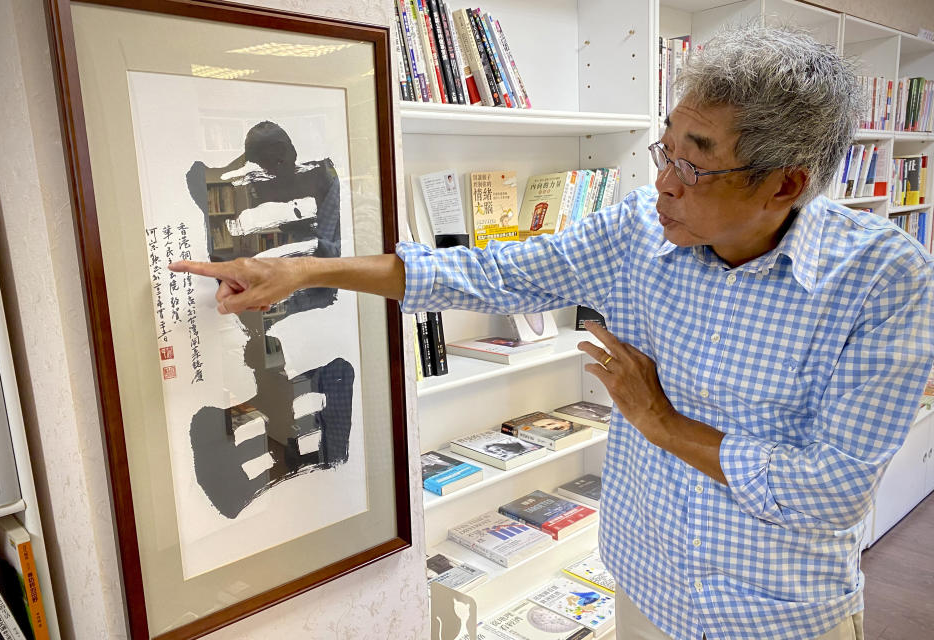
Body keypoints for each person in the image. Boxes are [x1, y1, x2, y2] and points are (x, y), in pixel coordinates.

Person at [171, 24, 934, 640]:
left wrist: (657, 420)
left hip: (776, 614)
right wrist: (309, 271)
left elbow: (832, 489)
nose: (663, 179)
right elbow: (491, 273)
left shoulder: (882, 278)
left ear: (785, 184)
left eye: (696, 163)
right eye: (665, 145)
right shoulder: (639, 230)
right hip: (645, 582)